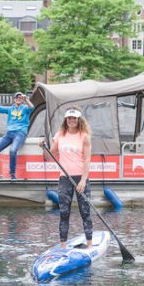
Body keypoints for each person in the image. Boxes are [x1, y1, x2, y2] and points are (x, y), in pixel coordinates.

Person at [40, 107, 93, 249]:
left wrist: (83, 180)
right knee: (64, 213)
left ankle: (89, 244)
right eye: (69, 118)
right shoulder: (59, 135)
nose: (71, 120)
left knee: (85, 212)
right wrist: (43, 147)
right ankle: (63, 245)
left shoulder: (84, 136)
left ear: (78, 119)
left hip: (80, 179)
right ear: (66, 120)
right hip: (64, 179)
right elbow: (49, 157)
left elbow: (87, 160)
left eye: (74, 118)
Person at [0, 92, 34, 180]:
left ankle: (12, 175)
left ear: (22, 100)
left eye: (20, 97)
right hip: (9, 133)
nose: (19, 98)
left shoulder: (25, 108)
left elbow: (32, 107)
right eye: (17, 97)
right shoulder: (10, 109)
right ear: (14, 99)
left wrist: (26, 99)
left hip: (20, 133)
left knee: (12, 150)